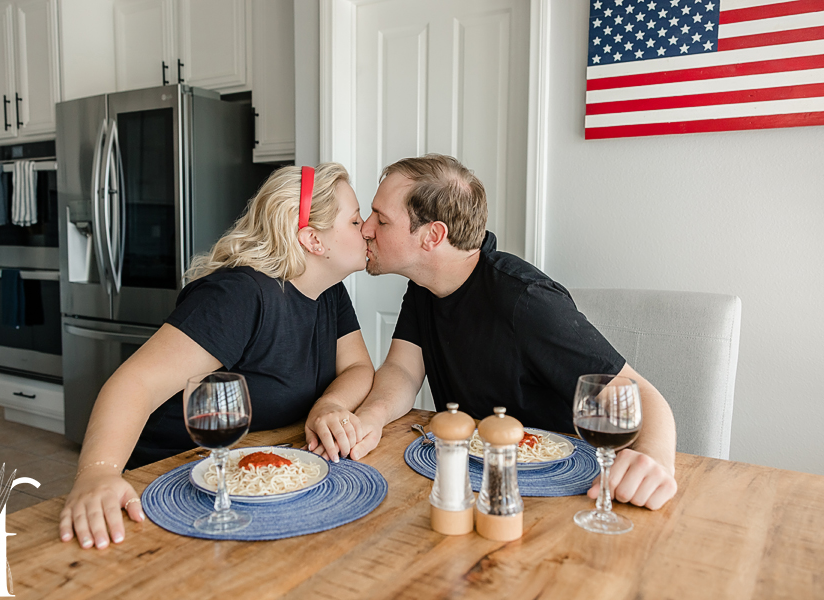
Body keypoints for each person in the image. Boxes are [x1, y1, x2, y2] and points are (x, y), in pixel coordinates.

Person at [59, 163, 375, 550]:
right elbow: (134, 384)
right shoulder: (239, 296)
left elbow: (359, 368)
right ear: (313, 240)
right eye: (356, 220)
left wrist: (330, 404)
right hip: (174, 479)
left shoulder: (328, 292)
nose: (368, 229)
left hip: (249, 479)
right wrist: (97, 473)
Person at [342, 154, 678, 510]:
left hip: (557, 489)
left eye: (381, 219)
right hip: (477, 479)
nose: (365, 228)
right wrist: (370, 419)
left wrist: (656, 462)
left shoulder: (525, 300)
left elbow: (640, 395)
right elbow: (403, 370)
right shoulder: (425, 286)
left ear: (432, 235)